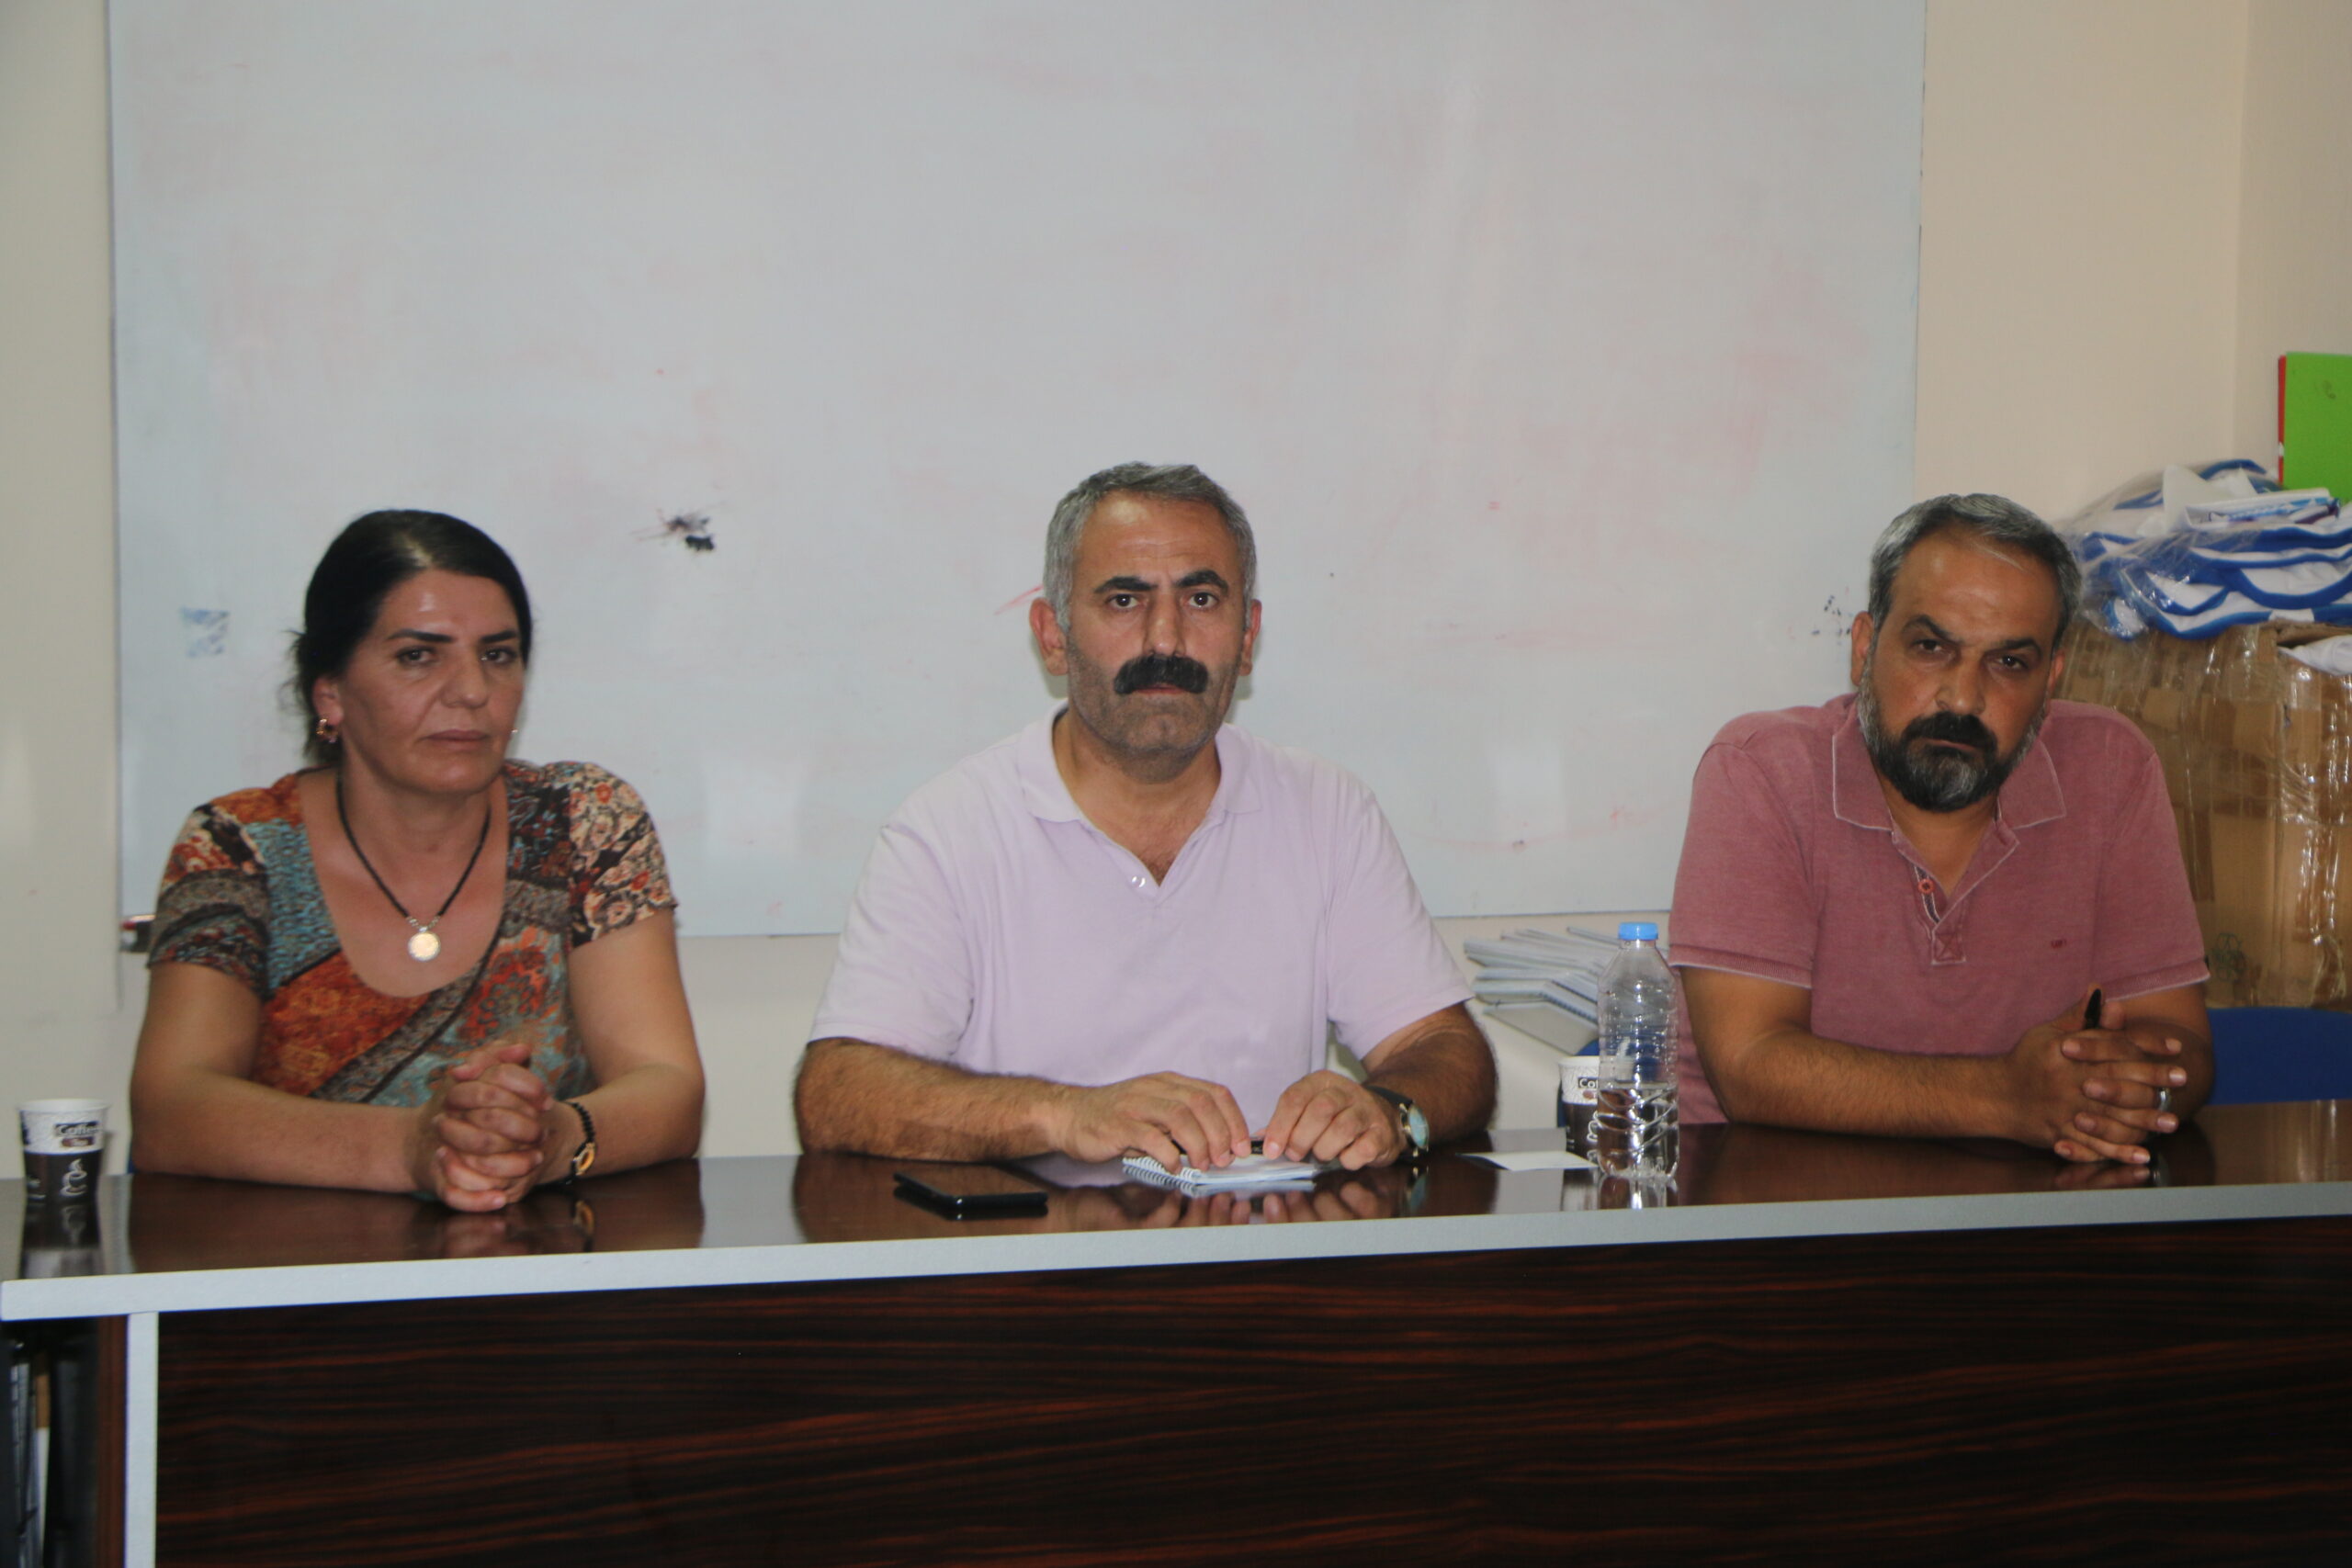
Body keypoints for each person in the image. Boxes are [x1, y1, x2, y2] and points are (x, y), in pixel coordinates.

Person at [796, 463, 1494, 1172]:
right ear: (1053, 635)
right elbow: (838, 1091)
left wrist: (1389, 1109)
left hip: (1264, 1237)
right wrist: (1065, 1113)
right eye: (1125, 600)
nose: (1166, 639)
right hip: (1037, 1238)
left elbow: (1445, 1051)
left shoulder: (1326, 810)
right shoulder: (949, 830)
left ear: (1247, 636)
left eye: (1201, 598)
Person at [132, 511, 705, 1211]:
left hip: (535, 1262)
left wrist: (553, 1141)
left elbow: (668, 1086)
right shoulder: (237, 846)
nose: (472, 689)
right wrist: (414, 1148)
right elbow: (171, 1109)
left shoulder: (585, 819)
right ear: (330, 691)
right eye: (418, 656)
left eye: (498, 654)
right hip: (293, 1268)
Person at [1669, 493, 2211, 1166]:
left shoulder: (2110, 768)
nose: (1963, 697)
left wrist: (2122, 1090)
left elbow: (2180, 1042)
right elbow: (1749, 1065)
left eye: (2009, 663)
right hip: (1773, 1202)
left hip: (2030, 1205)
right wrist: (2007, 1097)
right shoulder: (1762, 770)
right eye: (1931, 648)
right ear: (1864, 647)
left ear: (2052, 680)